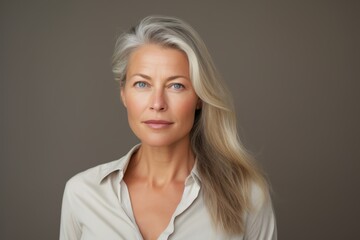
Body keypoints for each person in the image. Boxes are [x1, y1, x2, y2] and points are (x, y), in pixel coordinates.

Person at [60, 15, 277, 240]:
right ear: (123, 93)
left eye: (176, 85)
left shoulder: (247, 196)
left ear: (199, 96)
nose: (157, 104)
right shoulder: (82, 194)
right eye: (142, 84)